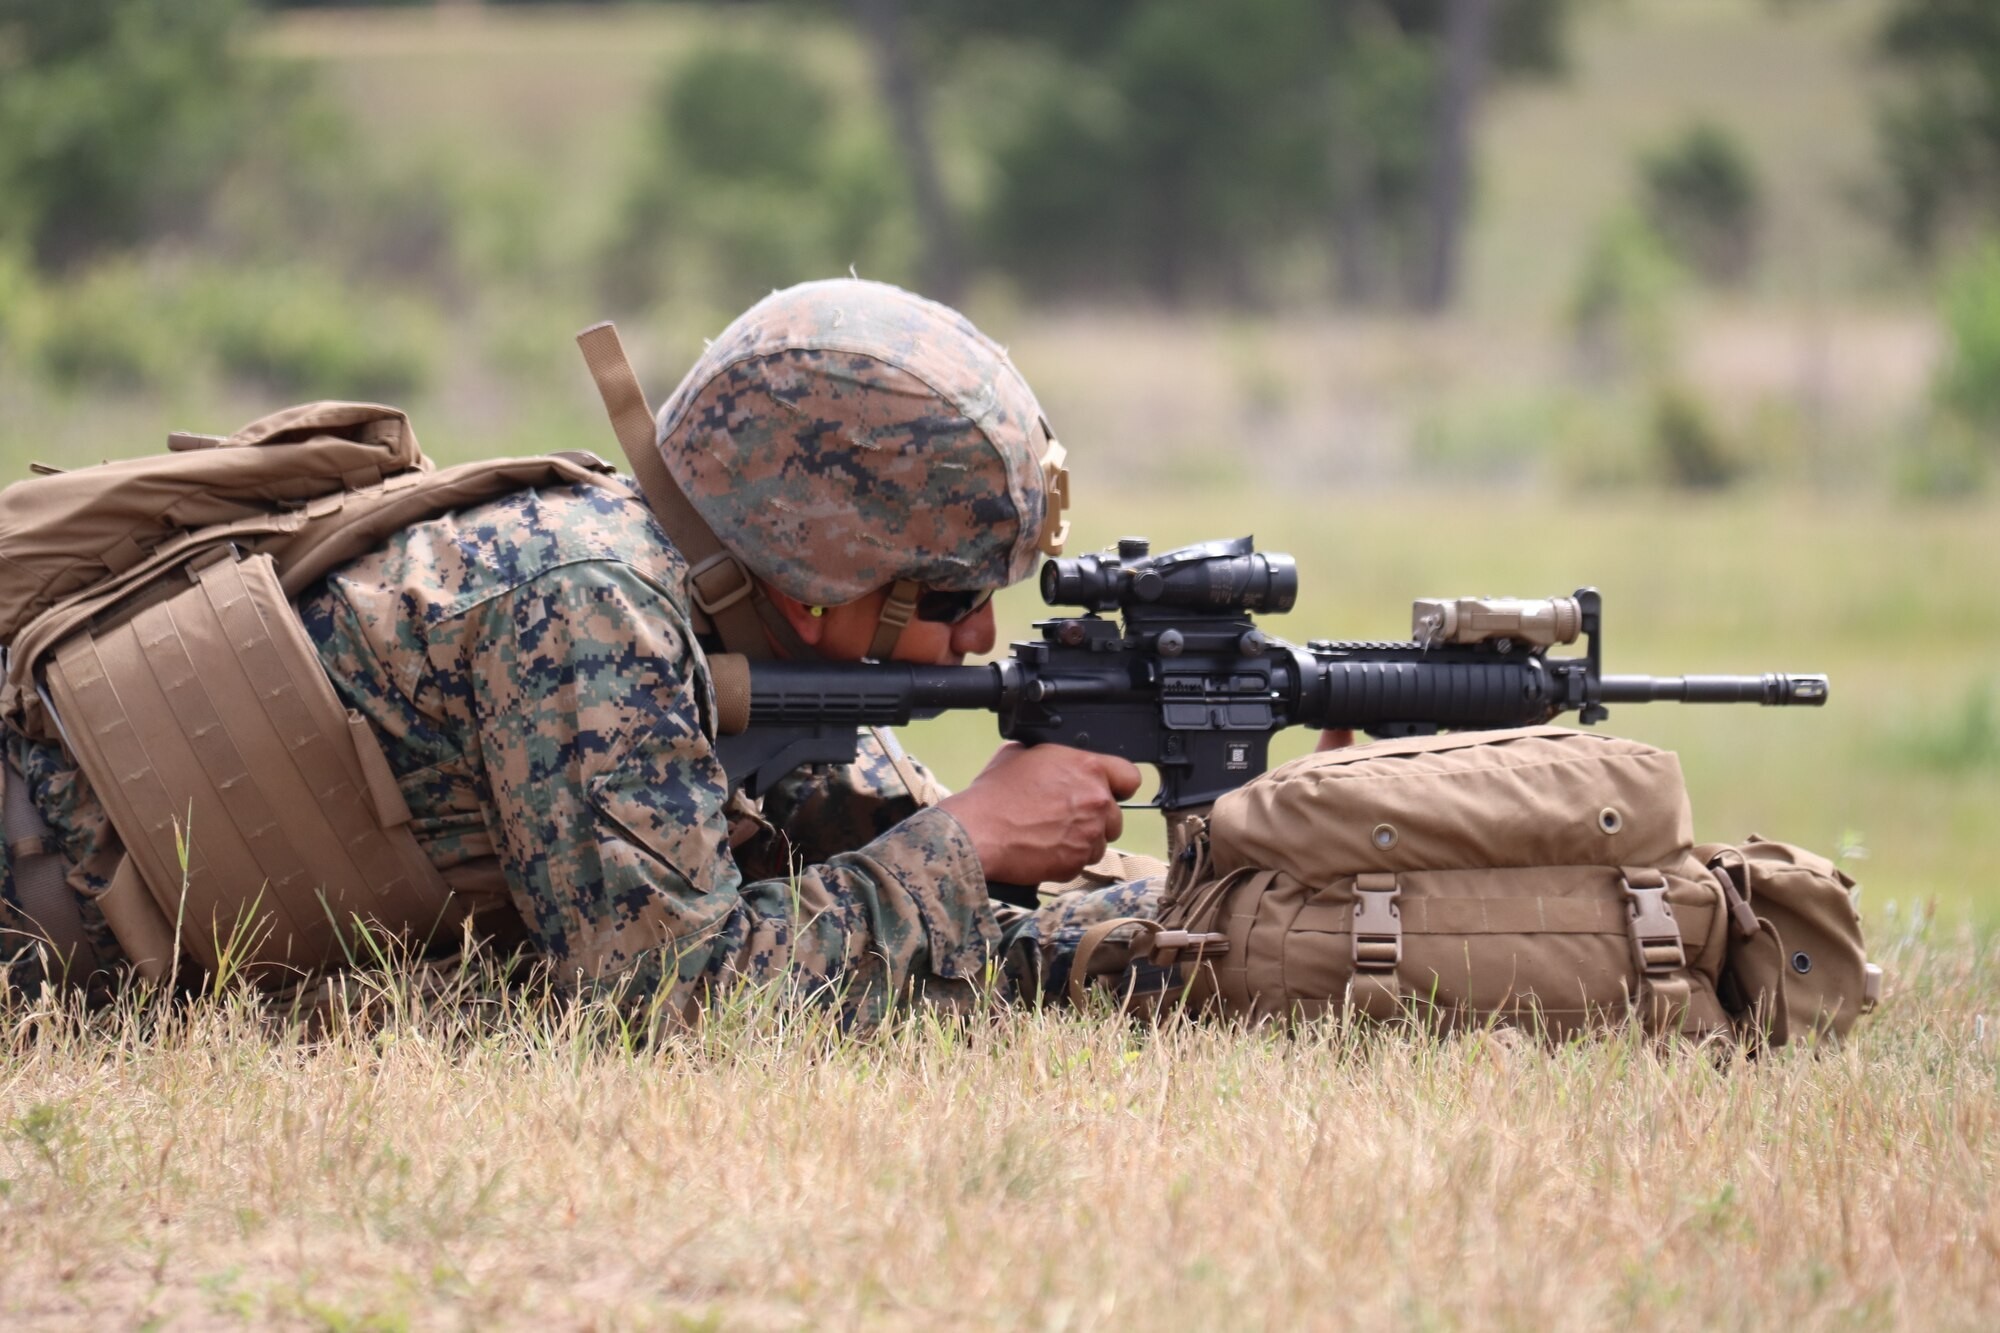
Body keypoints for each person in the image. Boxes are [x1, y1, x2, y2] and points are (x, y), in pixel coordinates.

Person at [0, 278, 1162, 1024]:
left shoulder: (705, 603)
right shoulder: (588, 604)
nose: (978, 638)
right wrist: (968, 842)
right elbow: (666, 997)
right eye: (952, 593)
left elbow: (850, 880)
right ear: (825, 576)